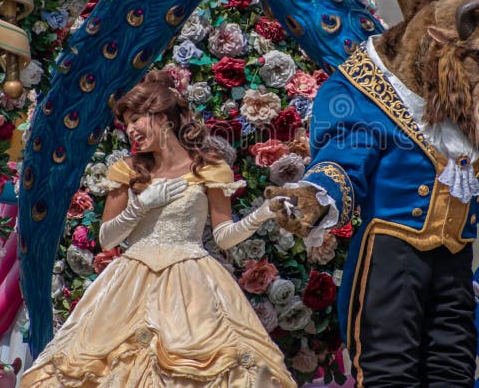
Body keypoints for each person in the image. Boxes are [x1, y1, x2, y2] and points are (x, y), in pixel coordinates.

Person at [21, 71, 295, 387]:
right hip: (131, 282)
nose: (132, 130)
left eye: (137, 119)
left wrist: (262, 214)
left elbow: (223, 237)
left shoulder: (210, 168)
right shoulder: (127, 169)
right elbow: (108, 239)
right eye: (127, 124)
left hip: (192, 284)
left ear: (163, 117)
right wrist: (141, 205)